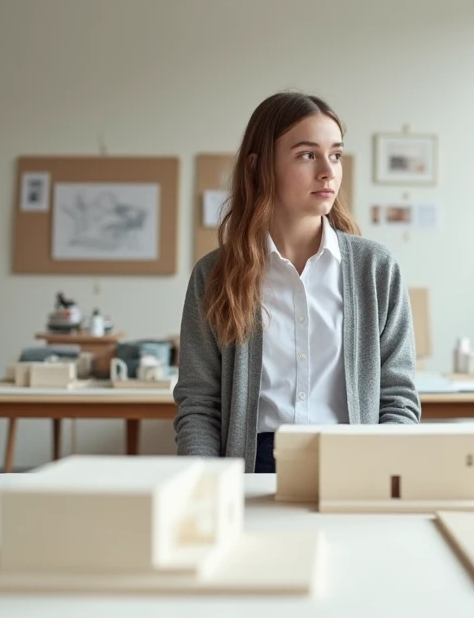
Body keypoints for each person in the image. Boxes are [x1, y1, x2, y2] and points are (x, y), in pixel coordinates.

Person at [173, 91, 420, 472]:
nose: (328, 171)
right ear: (258, 167)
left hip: (355, 465)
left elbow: (398, 398)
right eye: (308, 155)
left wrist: (381, 475)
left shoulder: (376, 269)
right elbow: (200, 406)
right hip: (253, 468)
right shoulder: (214, 275)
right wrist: (209, 486)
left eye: (335, 155)